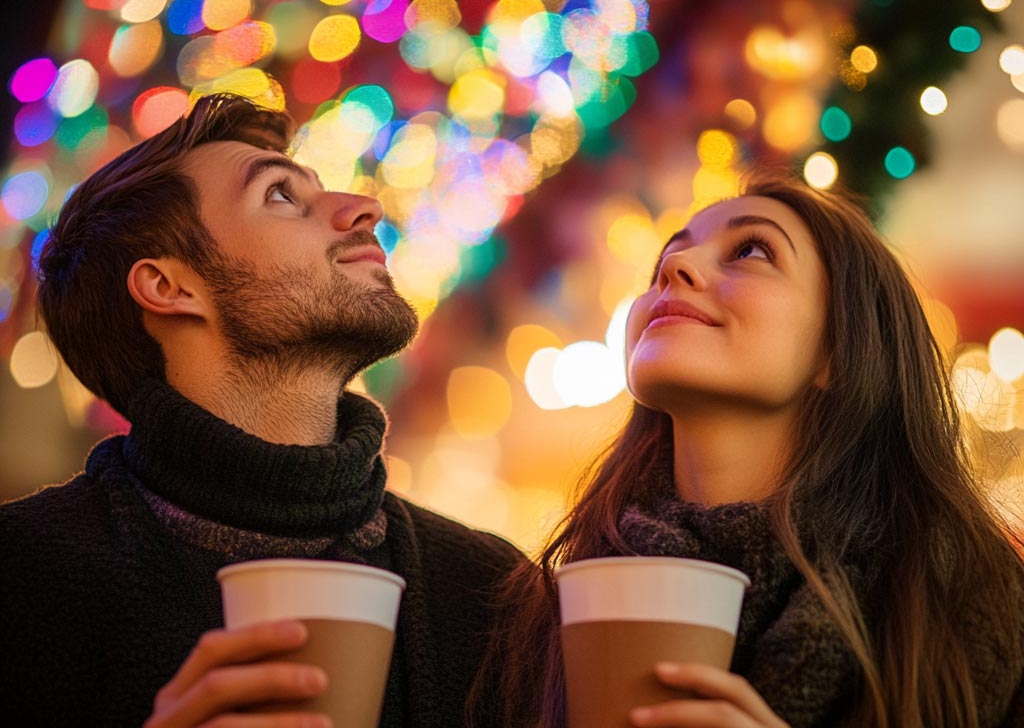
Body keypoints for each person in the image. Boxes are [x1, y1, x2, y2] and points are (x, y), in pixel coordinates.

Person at [0, 92, 525, 727]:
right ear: (169, 286)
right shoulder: (25, 580)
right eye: (281, 196)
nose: (365, 208)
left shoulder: (493, 594)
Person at [484, 172, 1024, 728]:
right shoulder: (540, 612)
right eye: (663, 263)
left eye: (750, 250)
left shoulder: (966, 605)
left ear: (840, 348)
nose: (674, 269)